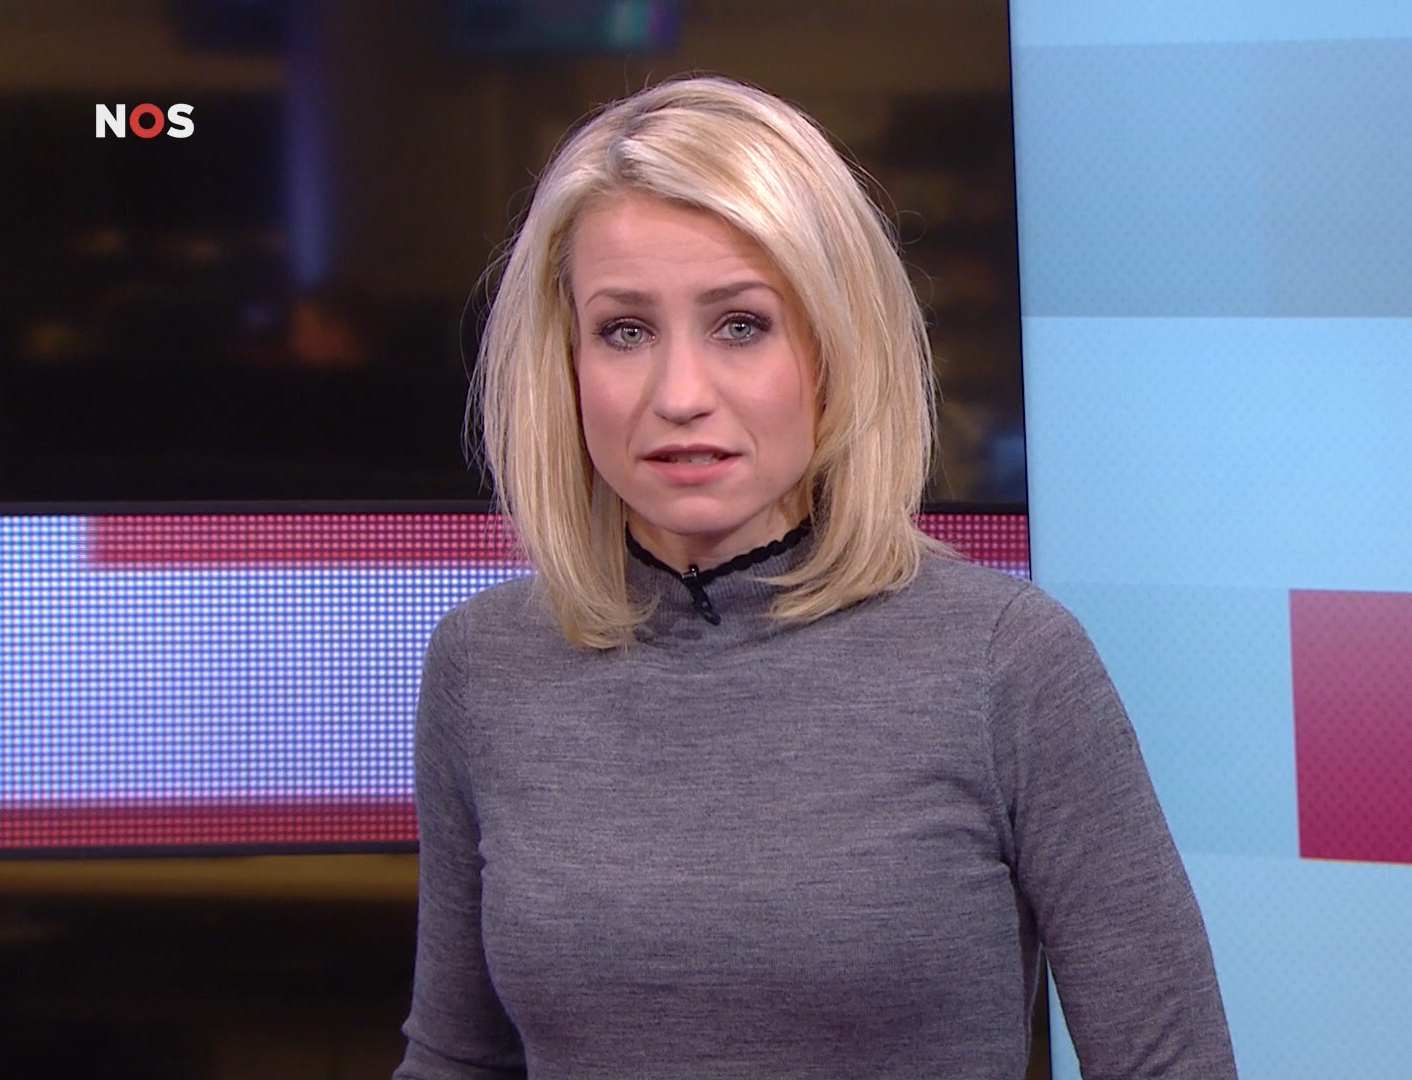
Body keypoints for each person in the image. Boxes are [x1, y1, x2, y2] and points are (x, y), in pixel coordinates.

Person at [395, 75, 1235, 1080]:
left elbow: (1168, 1063)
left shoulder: (1005, 662)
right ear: (564, 363)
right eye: (625, 331)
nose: (680, 394)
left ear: (834, 348)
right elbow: (457, 1059)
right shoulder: (484, 664)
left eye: (740, 325)